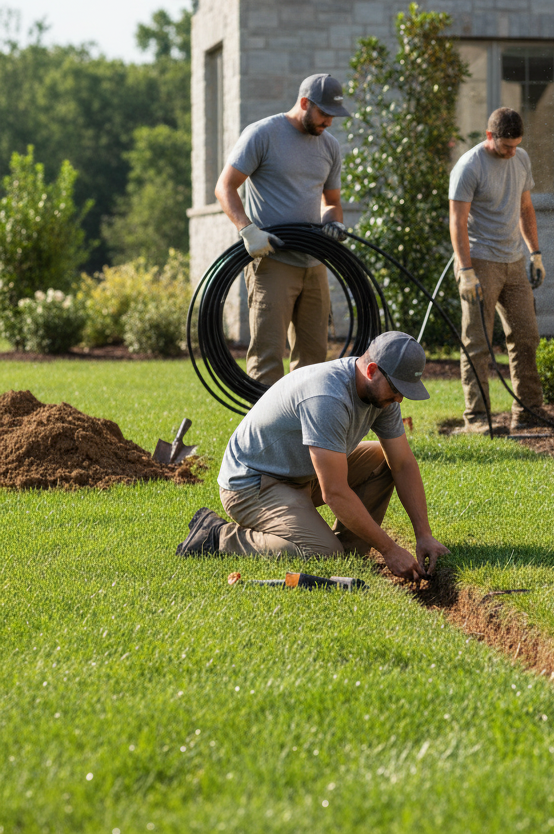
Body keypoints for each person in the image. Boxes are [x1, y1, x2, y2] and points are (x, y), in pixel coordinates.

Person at [175, 331, 449, 581]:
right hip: (252, 484)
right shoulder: (328, 396)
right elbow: (335, 492)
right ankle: (217, 536)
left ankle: (350, 550)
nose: (399, 399)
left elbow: (402, 463)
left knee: (382, 459)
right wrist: (389, 549)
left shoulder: (382, 395)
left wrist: (423, 533)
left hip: (300, 475)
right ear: (372, 370)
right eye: (397, 389)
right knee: (321, 553)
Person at [215, 73, 353, 386]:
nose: (329, 122)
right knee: (267, 359)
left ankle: (304, 433)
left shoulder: (329, 147)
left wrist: (333, 223)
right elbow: (225, 187)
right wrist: (247, 230)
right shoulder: (263, 134)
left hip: (314, 263)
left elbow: (331, 201)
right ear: (305, 103)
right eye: (324, 114)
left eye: (333, 116)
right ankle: (262, 434)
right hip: (273, 262)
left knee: (314, 363)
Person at [448, 106, 546, 433]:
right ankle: (477, 418)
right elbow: (457, 221)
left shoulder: (520, 159)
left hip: (514, 261)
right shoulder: (469, 166)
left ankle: (529, 412)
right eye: (506, 146)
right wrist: (465, 271)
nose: (512, 152)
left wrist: (535, 253)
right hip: (481, 261)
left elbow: (525, 208)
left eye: (516, 145)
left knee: (526, 336)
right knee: (477, 342)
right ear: (490, 137)